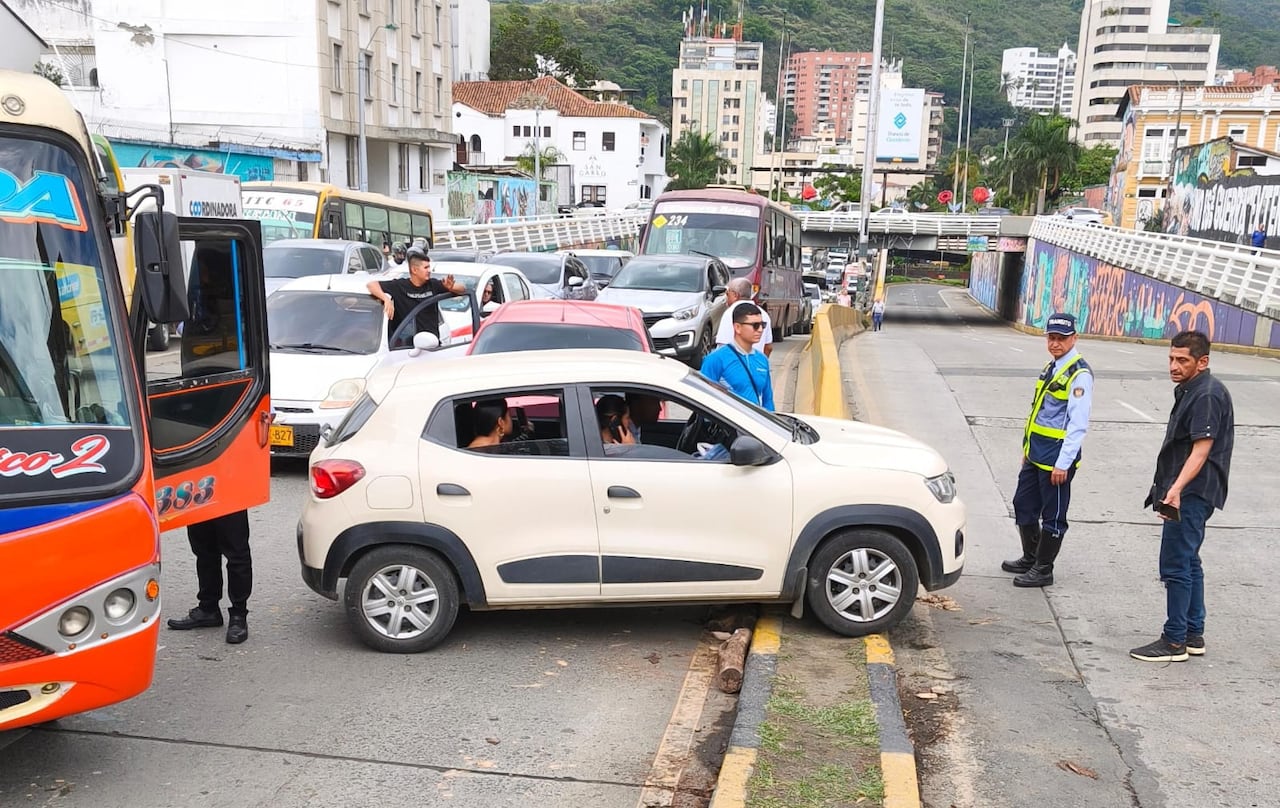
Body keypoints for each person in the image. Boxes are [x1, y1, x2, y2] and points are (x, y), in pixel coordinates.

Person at [1130, 331, 1235, 663]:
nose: (1174, 366)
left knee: (1175, 564)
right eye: (1172, 359)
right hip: (1191, 490)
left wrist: (1174, 491)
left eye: (1182, 360)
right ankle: (1192, 633)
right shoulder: (1194, 389)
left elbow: (1201, 451)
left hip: (1191, 492)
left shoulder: (1206, 395)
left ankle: (1174, 641)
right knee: (1190, 561)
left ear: (1202, 362)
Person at [1002, 312, 1093, 588]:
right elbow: (1038, 413)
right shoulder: (1051, 367)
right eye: (1051, 338)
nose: (1055, 343)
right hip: (1036, 454)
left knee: (1053, 515)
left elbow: (1078, 424)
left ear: (1073, 339)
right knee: (1023, 505)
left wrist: (1063, 463)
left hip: (1056, 459)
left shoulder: (1079, 374)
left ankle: (1043, 569)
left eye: (1061, 339)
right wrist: (1027, 450)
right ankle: (1030, 557)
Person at [167, 509, 253, 644]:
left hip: (230, 494)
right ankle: (208, 609)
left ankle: (238, 615)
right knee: (204, 550)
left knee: (236, 553)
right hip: (198, 493)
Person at [366, 246, 465, 346]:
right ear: (414, 270)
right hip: (405, 347)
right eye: (426, 267)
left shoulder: (433, 285)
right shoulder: (400, 286)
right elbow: (371, 285)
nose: (429, 270)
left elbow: (462, 289)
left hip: (431, 345)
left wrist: (451, 287)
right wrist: (385, 299)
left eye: (429, 267)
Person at [700, 303, 775, 411]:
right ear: (737, 328)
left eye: (762, 325)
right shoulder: (716, 359)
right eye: (755, 325)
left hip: (753, 425)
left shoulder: (762, 360)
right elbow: (703, 398)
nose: (760, 330)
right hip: (727, 425)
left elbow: (768, 400)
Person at [715, 278, 773, 356]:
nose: (726, 298)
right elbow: (768, 347)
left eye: (727, 294)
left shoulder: (730, 313)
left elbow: (723, 346)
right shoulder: (763, 314)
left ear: (735, 295)